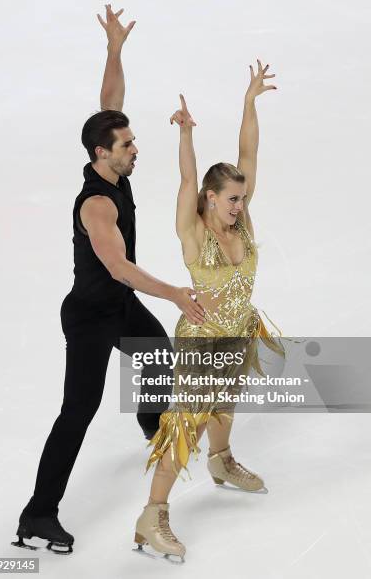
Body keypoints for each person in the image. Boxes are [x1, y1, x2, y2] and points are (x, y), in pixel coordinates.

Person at [12, 4, 205, 555]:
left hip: (117, 304)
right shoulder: (97, 203)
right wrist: (173, 293)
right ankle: (38, 514)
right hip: (92, 315)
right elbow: (118, 266)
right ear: (103, 153)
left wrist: (114, 48)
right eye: (127, 146)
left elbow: (110, 102)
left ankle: (150, 425)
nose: (135, 148)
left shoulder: (107, 157)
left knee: (156, 353)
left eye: (133, 141)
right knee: (79, 410)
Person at [133, 61, 285, 562]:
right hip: (202, 342)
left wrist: (248, 102)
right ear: (211, 199)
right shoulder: (195, 234)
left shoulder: (239, 224)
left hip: (238, 330)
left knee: (227, 402)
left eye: (243, 197)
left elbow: (249, 153)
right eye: (233, 199)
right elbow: (186, 176)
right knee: (185, 424)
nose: (242, 205)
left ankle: (222, 463)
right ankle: (151, 515)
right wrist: (186, 134)